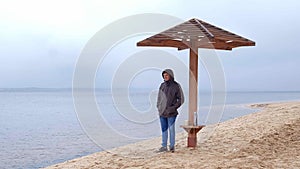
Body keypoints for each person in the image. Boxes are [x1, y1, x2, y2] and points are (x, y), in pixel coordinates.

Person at [156, 69, 184, 153]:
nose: (165, 77)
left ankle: (172, 146)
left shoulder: (176, 86)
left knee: (171, 129)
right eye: (164, 75)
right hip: (162, 112)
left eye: (167, 75)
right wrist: (158, 106)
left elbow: (181, 99)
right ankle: (164, 146)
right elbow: (159, 97)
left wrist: (173, 108)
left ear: (171, 75)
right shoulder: (162, 85)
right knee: (164, 129)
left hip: (171, 113)